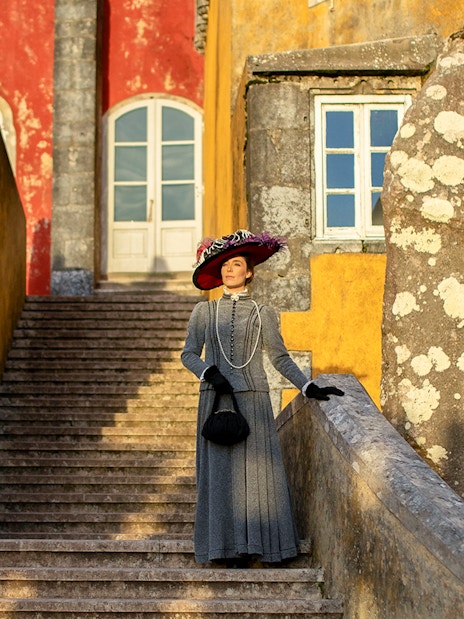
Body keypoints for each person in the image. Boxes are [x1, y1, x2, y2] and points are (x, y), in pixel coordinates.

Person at [181, 229, 344, 566]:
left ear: (249, 271)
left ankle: (252, 547)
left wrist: (307, 386)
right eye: (225, 264)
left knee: (254, 479)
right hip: (215, 400)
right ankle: (221, 549)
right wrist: (208, 372)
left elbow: (280, 358)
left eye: (236, 264)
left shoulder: (263, 312)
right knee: (220, 477)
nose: (229, 270)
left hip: (253, 401)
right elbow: (188, 354)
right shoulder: (204, 313)